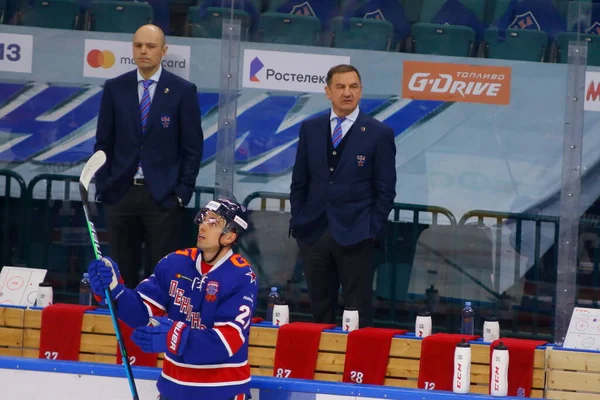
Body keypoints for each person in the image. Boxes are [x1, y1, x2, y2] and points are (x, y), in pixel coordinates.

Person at [87, 199, 257, 400]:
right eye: (203, 218)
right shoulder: (175, 263)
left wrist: (175, 336)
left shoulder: (241, 276)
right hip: (173, 390)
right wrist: (116, 291)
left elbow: (224, 344)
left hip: (222, 392)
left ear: (229, 236)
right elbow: (141, 313)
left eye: (213, 223)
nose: (203, 225)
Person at [94, 24, 203, 288]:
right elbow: (103, 143)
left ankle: (155, 328)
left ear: (163, 51)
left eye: (151, 46)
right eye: (138, 45)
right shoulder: (115, 88)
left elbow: (192, 147)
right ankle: (122, 327)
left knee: (161, 276)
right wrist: (105, 186)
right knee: (121, 275)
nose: (143, 51)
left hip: (163, 198)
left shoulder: (182, 91)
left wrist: (181, 193)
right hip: (121, 194)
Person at [289, 64, 396, 328]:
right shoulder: (310, 129)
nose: (347, 92)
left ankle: (358, 367)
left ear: (361, 91)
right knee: (318, 307)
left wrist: (372, 229)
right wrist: (300, 220)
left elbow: (385, 190)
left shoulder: (379, 133)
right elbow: (299, 182)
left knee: (357, 309)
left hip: (357, 234)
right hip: (314, 232)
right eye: (340, 87)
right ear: (328, 91)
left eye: (353, 86)